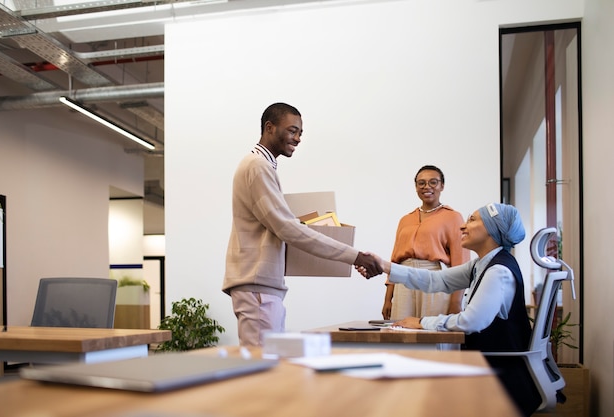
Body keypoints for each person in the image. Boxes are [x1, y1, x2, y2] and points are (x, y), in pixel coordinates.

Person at [223, 102, 383, 347]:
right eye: (291, 130)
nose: (297, 138)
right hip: (257, 287)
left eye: (300, 133)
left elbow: (283, 226)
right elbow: (287, 229)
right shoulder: (257, 166)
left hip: (262, 287)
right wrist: (355, 256)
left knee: (269, 367)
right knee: (262, 371)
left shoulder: (261, 166)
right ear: (269, 128)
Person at [360, 203, 541, 416]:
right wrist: (384, 265)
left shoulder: (498, 271)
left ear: (493, 229)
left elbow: (471, 321)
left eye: (472, 220)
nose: (463, 227)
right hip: (487, 370)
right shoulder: (481, 265)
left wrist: (422, 322)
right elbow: (434, 280)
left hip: (500, 381)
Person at [382, 165, 469, 321]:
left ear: (442, 186)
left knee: (433, 331)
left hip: (434, 277)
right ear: (416, 187)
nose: (427, 187)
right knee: (400, 330)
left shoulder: (453, 217)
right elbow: (394, 260)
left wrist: (456, 301)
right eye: (421, 183)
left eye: (433, 182)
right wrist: (388, 299)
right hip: (403, 278)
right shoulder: (405, 219)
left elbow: (460, 263)